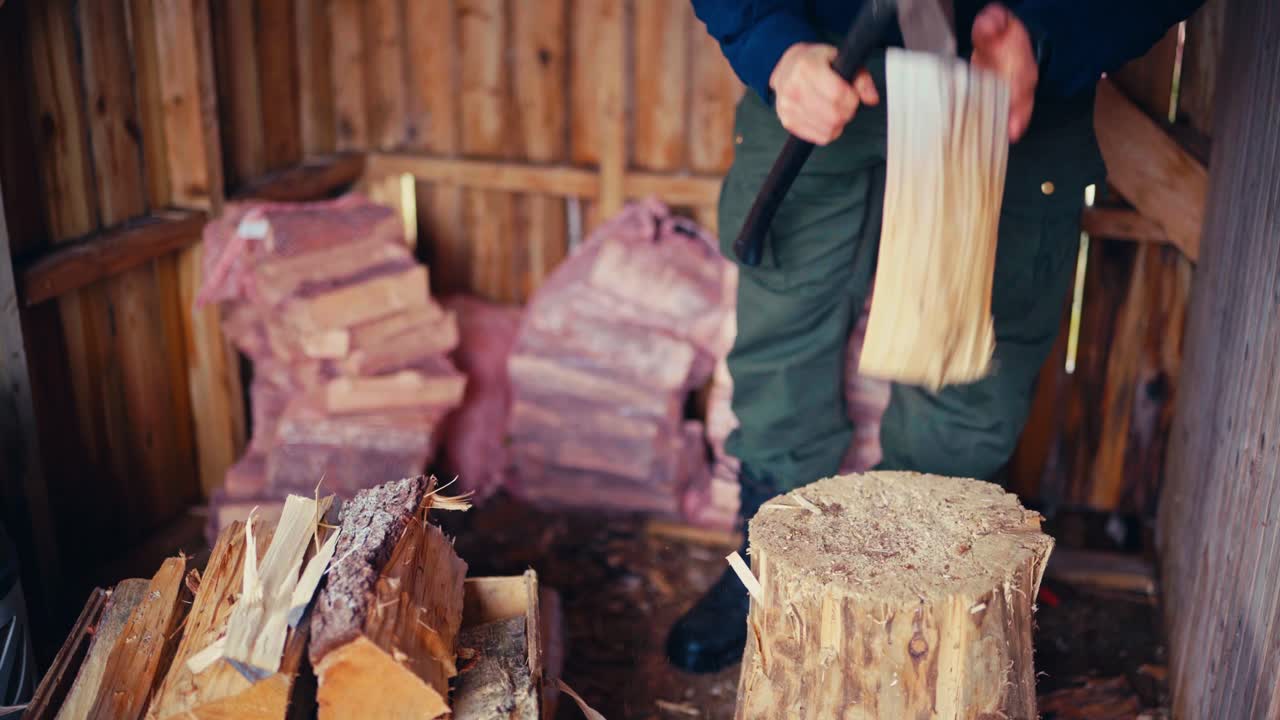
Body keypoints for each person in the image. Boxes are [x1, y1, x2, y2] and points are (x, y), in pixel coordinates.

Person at [667, 0, 1205, 674]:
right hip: (825, 51)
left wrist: (1056, 38)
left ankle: (910, 596)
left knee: (979, 357)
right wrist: (773, 46)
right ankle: (769, 562)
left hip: (1016, 77)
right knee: (781, 330)